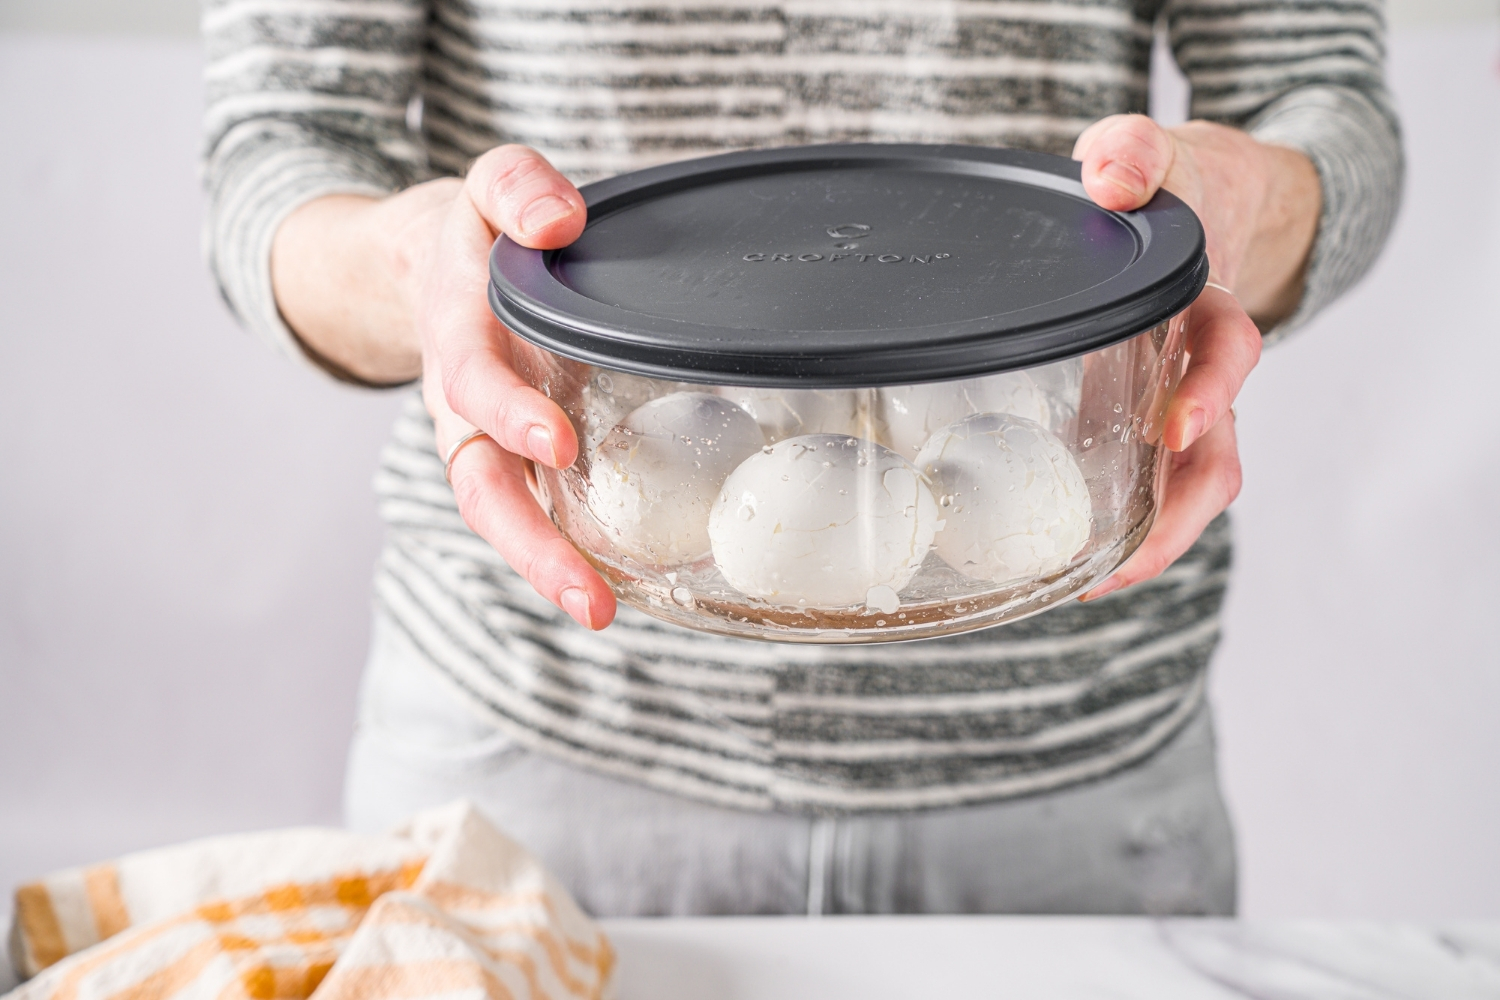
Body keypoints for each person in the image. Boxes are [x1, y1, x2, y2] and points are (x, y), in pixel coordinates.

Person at [202, 0, 1401, 916]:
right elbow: (281, 149)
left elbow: (1323, 100)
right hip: (533, 756)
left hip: (1074, 770)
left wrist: (1240, 201)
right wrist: (422, 264)